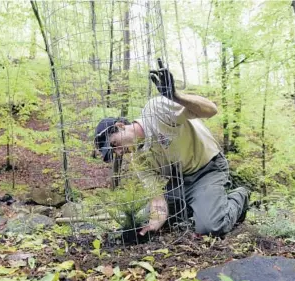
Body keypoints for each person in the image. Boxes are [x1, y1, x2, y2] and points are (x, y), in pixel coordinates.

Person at [94, 59, 249, 237]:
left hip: (207, 170)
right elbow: (157, 197)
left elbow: (211, 110)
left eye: (114, 144)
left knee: (211, 227)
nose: (119, 152)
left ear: (121, 126)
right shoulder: (138, 159)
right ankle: (199, 206)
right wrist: (153, 224)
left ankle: (238, 197)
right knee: (141, 219)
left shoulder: (156, 111)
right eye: (114, 152)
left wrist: (176, 96)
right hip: (178, 182)